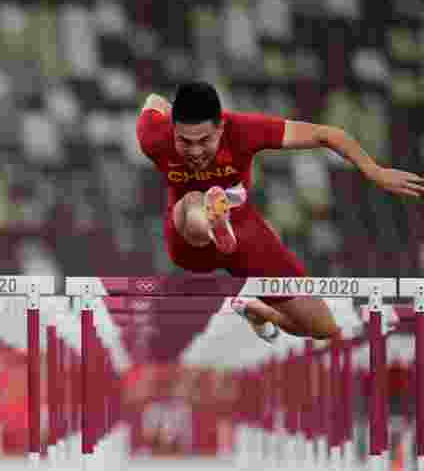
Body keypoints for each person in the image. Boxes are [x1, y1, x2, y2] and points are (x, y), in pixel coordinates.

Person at [136, 81, 423, 342]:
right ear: (173, 129)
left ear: (221, 127)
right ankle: (213, 221)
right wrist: (163, 105)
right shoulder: (154, 136)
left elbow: (325, 134)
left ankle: (257, 310)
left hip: (245, 234)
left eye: (205, 141)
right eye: (185, 141)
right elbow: (153, 98)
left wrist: (374, 171)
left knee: (323, 329)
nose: (195, 152)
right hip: (189, 238)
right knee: (194, 202)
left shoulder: (243, 129)